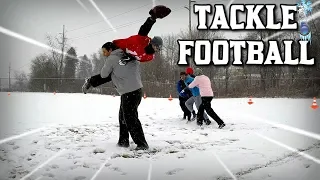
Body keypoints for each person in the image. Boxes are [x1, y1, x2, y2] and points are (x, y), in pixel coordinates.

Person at [82, 5, 170, 91]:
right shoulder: (144, 41)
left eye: (158, 48)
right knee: (109, 72)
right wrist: (152, 18)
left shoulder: (149, 57)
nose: (156, 49)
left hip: (126, 56)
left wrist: (129, 58)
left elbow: (137, 57)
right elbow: (144, 29)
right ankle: (91, 82)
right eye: (155, 46)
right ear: (151, 43)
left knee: (115, 74)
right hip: (117, 47)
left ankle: (93, 82)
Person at [83, 42, 149, 150]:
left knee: (130, 119)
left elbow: (104, 74)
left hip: (128, 92)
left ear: (110, 50)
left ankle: (142, 144)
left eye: (105, 51)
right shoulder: (128, 55)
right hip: (136, 91)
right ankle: (123, 141)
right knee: (124, 117)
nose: (104, 54)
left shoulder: (112, 58)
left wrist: (108, 69)